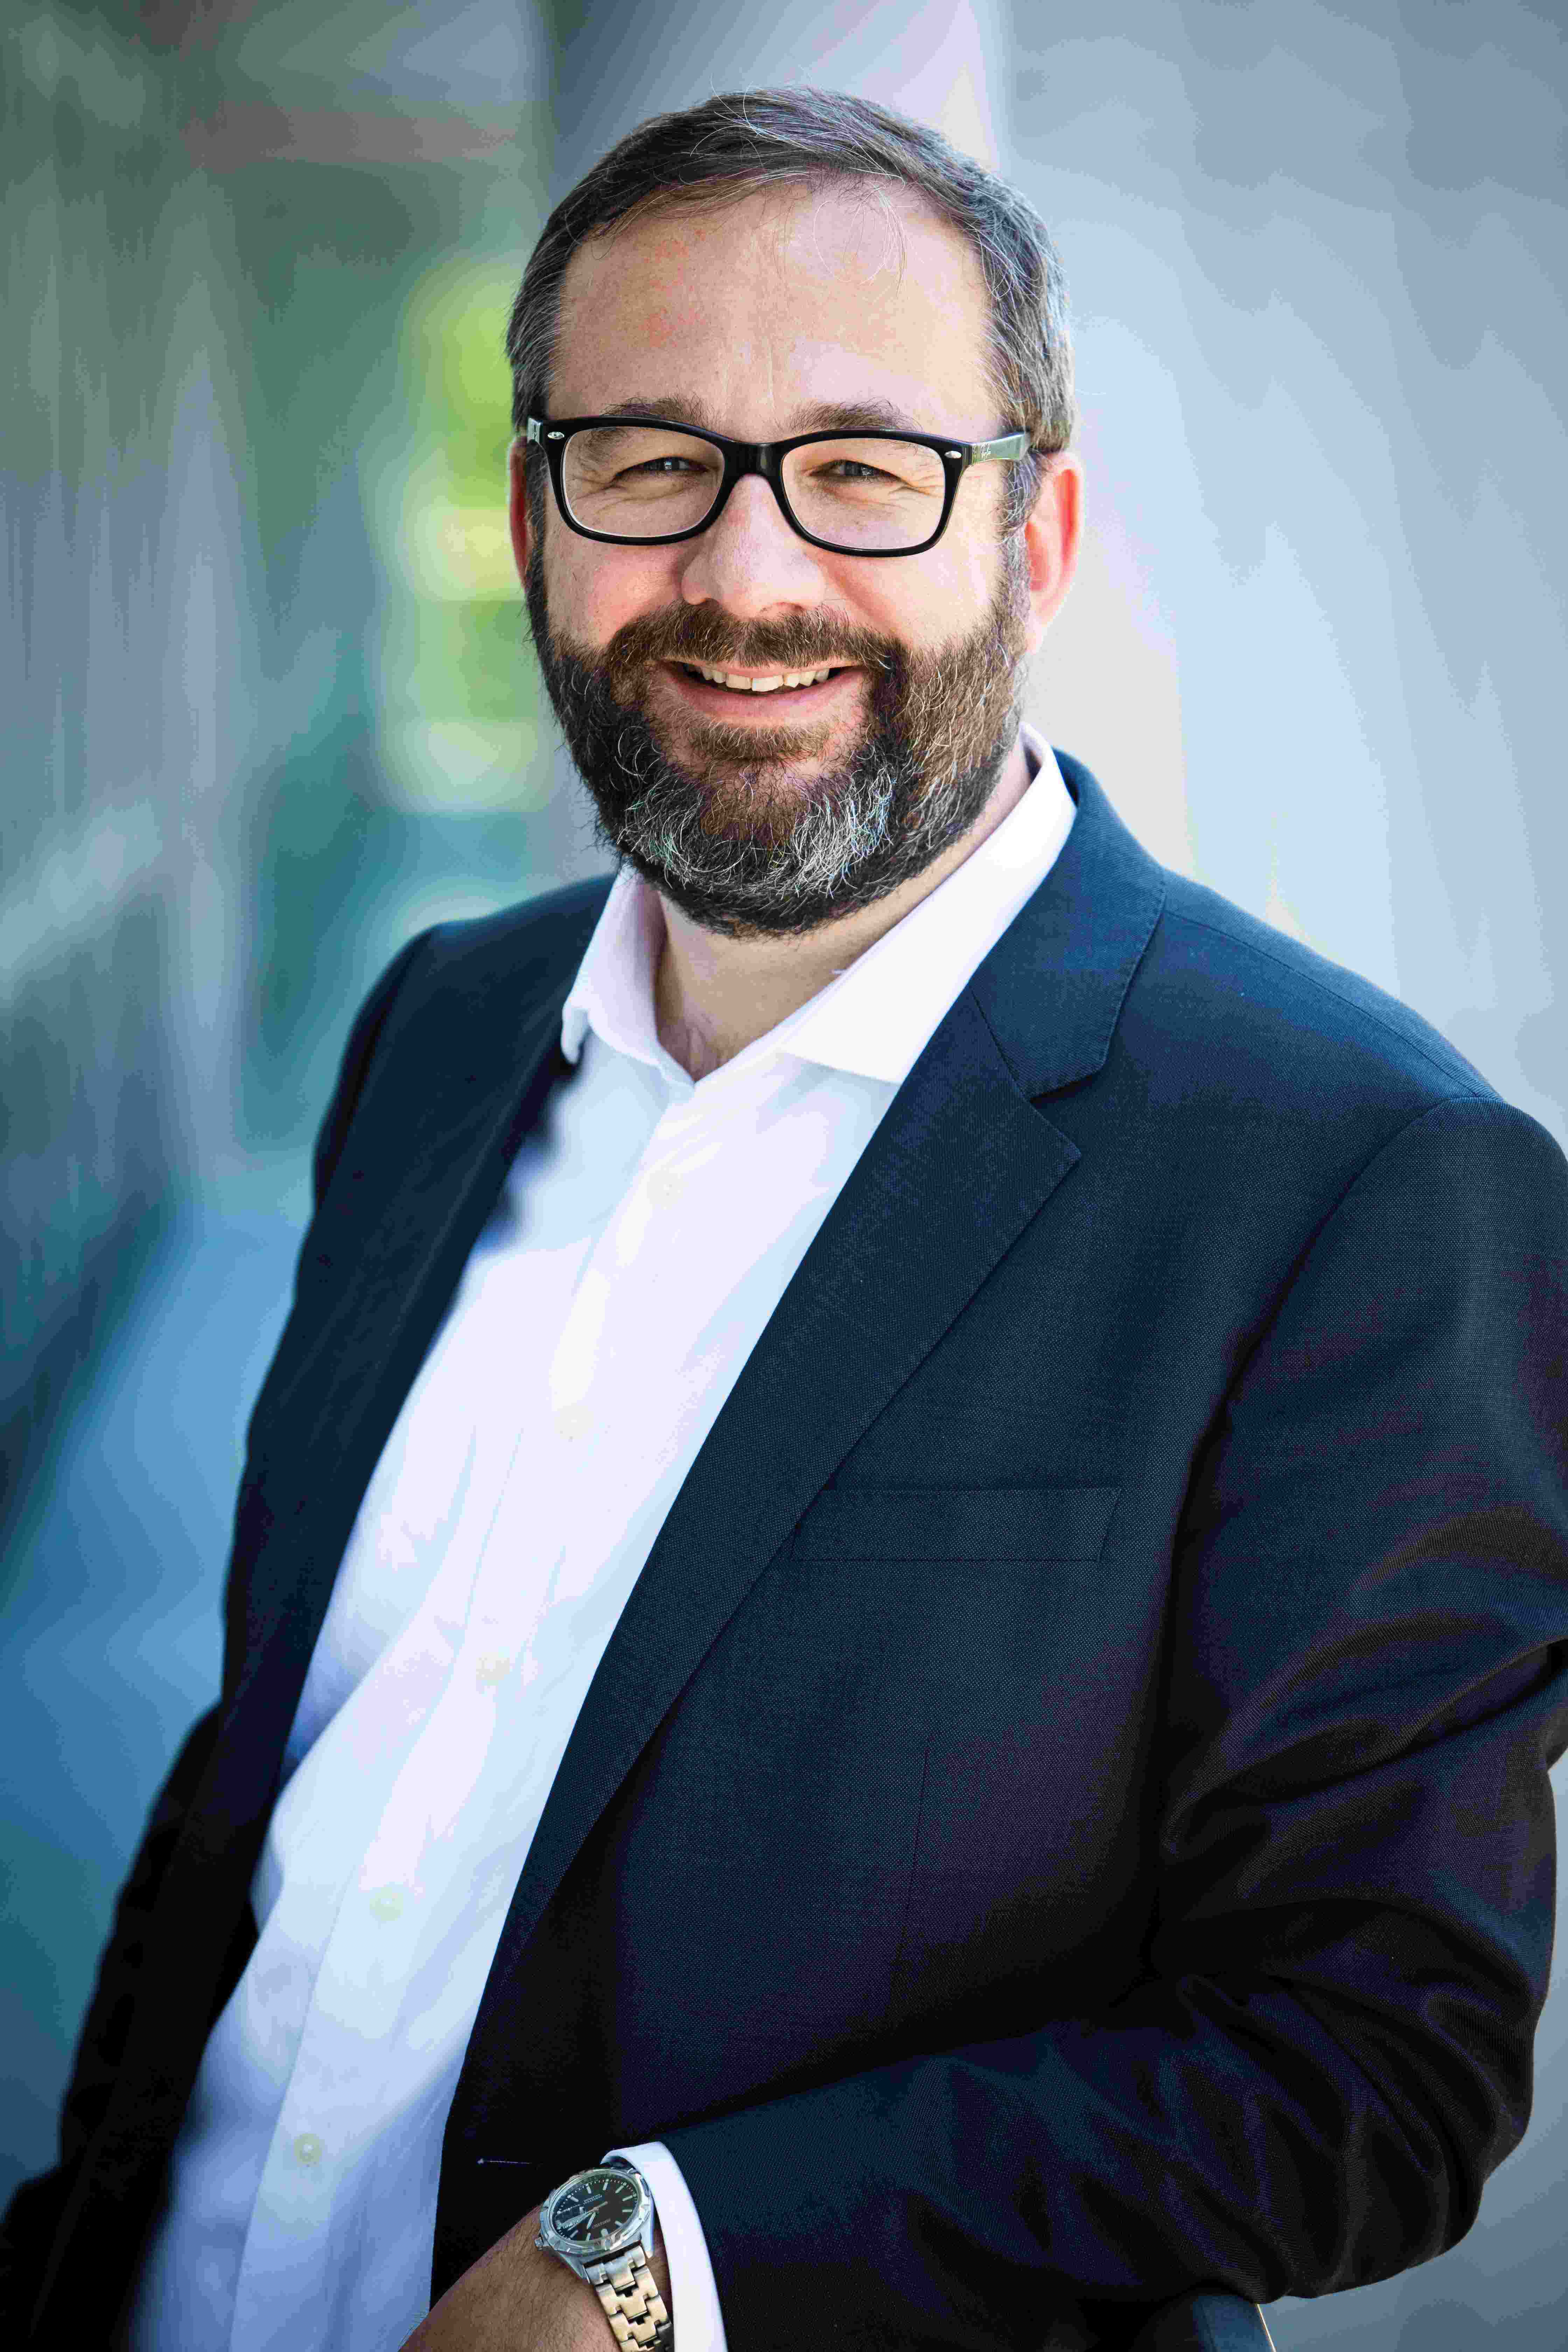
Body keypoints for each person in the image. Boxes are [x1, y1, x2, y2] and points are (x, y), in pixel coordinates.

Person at [6, 85, 1567, 2352]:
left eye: (861, 469)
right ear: (534, 517)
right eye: (651, 461)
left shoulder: (1357, 1187)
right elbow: (276, 1765)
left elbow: (1371, 2068)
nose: (747, 578)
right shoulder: (439, 1030)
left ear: (1033, 536)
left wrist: (666, 2260)